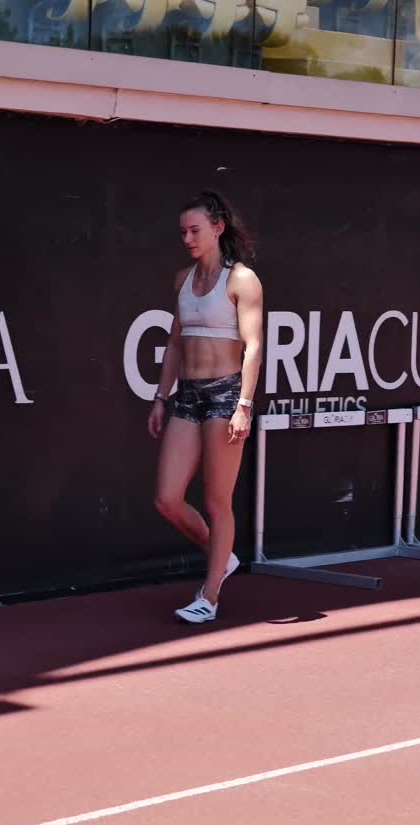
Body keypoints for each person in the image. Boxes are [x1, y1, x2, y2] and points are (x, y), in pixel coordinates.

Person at [148, 190, 263, 624]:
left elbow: (254, 346)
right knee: (167, 499)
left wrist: (244, 405)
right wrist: (160, 398)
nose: (188, 239)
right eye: (183, 233)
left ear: (218, 227)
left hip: (226, 395)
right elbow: (175, 344)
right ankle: (221, 556)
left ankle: (209, 596)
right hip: (188, 396)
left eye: (195, 230)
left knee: (217, 501)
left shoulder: (242, 280)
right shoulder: (182, 279)